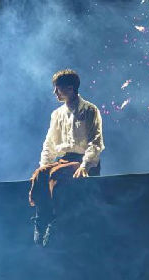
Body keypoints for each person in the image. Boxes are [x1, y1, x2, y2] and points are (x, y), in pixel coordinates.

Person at [29, 69, 104, 246]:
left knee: (57, 175)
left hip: (83, 160)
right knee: (40, 174)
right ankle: (42, 220)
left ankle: (58, 222)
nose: (55, 92)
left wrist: (85, 165)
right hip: (64, 160)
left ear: (70, 88)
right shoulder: (57, 114)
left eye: (58, 88)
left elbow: (95, 141)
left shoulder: (89, 110)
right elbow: (49, 143)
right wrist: (44, 166)